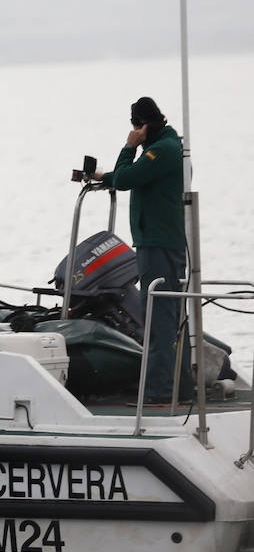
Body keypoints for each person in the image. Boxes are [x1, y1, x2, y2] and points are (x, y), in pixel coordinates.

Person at [91, 96, 192, 402]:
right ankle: (181, 387)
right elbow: (132, 177)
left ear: (141, 126)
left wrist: (128, 147)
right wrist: (103, 177)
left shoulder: (160, 151)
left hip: (158, 244)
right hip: (163, 242)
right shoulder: (165, 147)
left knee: (160, 316)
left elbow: (126, 180)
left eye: (135, 128)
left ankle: (160, 391)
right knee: (171, 315)